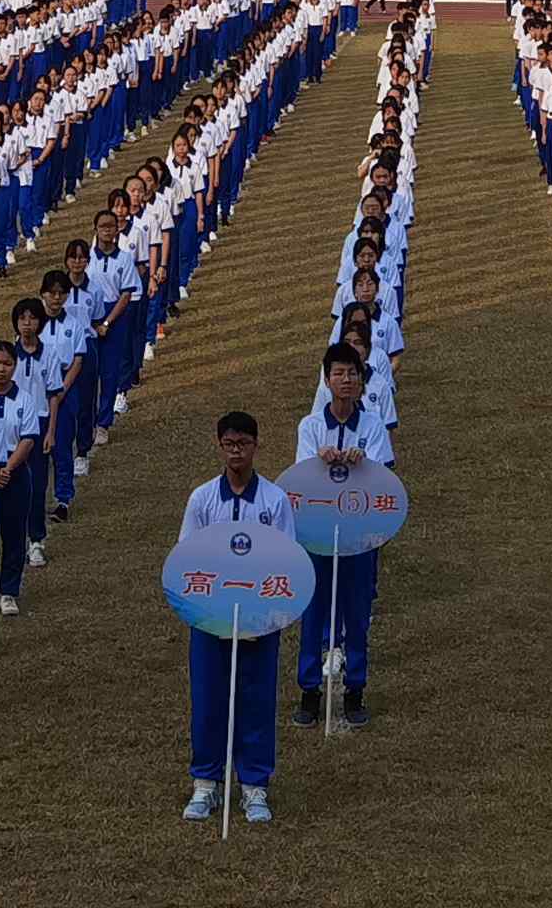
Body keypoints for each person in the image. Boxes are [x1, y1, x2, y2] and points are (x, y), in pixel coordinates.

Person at [178, 408, 292, 822]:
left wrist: (267, 610)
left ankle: (255, 785)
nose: (236, 451)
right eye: (229, 444)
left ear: (256, 446)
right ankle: (206, 783)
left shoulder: (274, 500)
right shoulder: (203, 499)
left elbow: (285, 560)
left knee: (256, 698)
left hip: (260, 617)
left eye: (244, 443)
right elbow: (187, 559)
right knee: (209, 698)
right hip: (211, 618)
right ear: (219, 446)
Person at [293, 338, 392, 723]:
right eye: (338, 374)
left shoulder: (372, 425)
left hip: (359, 532)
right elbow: (300, 481)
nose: (346, 380)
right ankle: (308, 691)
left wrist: (362, 463)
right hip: (318, 531)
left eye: (352, 373)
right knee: (315, 608)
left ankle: (355, 689)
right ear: (327, 380)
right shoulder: (311, 426)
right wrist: (321, 461)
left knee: (356, 609)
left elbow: (385, 478)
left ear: (361, 380)